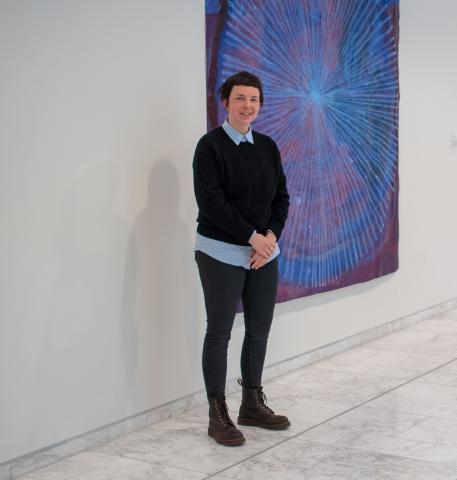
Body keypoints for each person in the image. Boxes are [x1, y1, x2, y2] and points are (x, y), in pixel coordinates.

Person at [193, 71, 291, 446]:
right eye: (240, 99)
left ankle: (251, 402)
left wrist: (269, 238)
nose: (247, 106)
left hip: (263, 252)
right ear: (225, 102)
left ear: (260, 105)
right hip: (220, 251)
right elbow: (212, 203)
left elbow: (281, 197)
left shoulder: (267, 146)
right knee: (219, 332)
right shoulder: (210, 147)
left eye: (254, 99)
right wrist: (251, 237)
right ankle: (217, 413)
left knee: (259, 330)